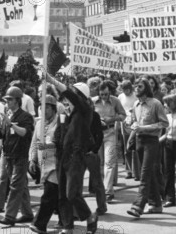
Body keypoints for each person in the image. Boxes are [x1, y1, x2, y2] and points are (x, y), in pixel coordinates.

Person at [45, 73, 98, 234]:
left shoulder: (85, 110)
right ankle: (68, 226)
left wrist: (52, 80)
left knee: (72, 193)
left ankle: (90, 217)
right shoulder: (68, 115)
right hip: (63, 157)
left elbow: (69, 94)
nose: (68, 99)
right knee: (62, 195)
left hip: (76, 156)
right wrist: (48, 145)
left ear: (80, 97)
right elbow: (60, 138)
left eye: (74, 95)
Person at [126, 78, 169, 218]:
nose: (136, 88)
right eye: (135, 86)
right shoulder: (136, 104)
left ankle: (138, 205)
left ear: (146, 88)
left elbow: (164, 123)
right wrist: (130, 124)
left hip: (151, 141)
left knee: (144, 174)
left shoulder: (155, 103)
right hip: (139, 141)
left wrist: (143, 128)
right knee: (148, 174)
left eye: (140, 86)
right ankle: (156, 204)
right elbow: (134, 123)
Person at [0, 87, 35, 226]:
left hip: (21, 154)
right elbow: (1, 134)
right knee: (21, 185)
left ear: (18, 100)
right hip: (9, 154)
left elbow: (25, 133)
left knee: (15, 185)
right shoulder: (8, 115)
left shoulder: (25, 116)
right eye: (6, 100)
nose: (7, 102)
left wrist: (10, 124)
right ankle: (27, 213)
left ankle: (10, 216)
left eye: (10, 99)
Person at [28, 95, 60, 234]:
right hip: (43, 165)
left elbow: (62, 143)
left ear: (53, 108)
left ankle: (39, 224)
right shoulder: (39, 123)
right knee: (58, 196)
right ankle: (68, 219)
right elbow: (34, 143)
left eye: (47, 107)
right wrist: (32, 159)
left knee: (48, 195)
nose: (44, 110)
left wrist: (48, 145)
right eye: (42, 107)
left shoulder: (61, 122)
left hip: (57, 164)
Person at [92, 80, 125, 202]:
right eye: (102, 94)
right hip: (97, 134)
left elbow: (123, 115)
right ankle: (100, 190)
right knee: (99, 163)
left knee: (109, 162)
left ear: (109, 92)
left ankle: (108, 191)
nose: (104, 96)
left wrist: (112, 119)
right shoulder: (93, 101)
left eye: (106, 94)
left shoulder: (115, 101)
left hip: (110, 132)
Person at [161, 94, 176, 207]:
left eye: (167, 103)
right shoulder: (167, 116)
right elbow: (166, 133)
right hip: (168, 143)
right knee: (168, 171)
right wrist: (157, 141)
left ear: (173, 103)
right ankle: (170, 198)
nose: (165, 105)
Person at [118, 81, 140, 180]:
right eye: (123, 90)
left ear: (130, 89)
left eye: (127, 90)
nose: (125, 92)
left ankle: (136, 172)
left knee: (134, 147)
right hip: (124, 123)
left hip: (134, 123)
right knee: (126, 148)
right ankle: (128, 170)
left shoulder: (136, 96)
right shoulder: (120, 97)